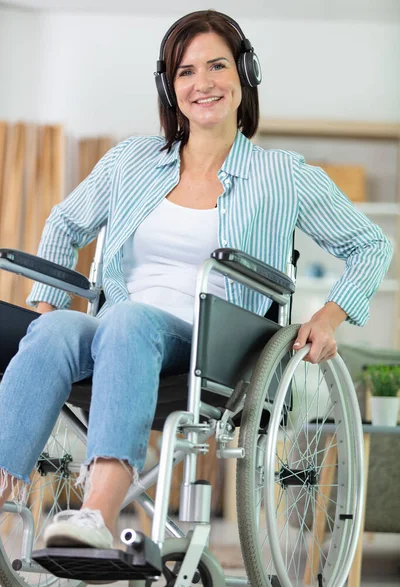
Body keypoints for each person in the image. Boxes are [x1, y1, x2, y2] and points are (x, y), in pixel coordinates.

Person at [0, 10, 392, 554]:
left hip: (214, 345)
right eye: (185, 71)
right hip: (118, 331)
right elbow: (65, 223)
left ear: (244, 75)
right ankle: (4, 490)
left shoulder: (284, 175)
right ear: (169, 87)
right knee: (52, 331)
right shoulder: (130, 162)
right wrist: (46, 308)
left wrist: (329, 316)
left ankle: (96, 515)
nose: (201, 83)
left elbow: (370, 245)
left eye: (216, 66)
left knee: (128, 322)